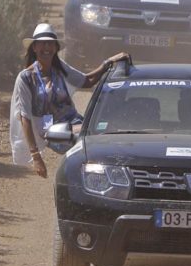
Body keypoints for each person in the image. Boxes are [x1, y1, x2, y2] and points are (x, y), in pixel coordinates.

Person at [10, 23, 127, 178]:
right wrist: (36, 157)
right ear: (34, 47)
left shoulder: (59, 68)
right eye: (43, 43)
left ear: (56, 48)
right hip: (50, 128)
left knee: (109, 131)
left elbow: (86, 81)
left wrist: (108, 64)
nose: (47, 47)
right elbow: (24, 117)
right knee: (91, 134)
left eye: (51, 43)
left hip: (74, 122)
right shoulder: (25, 78)